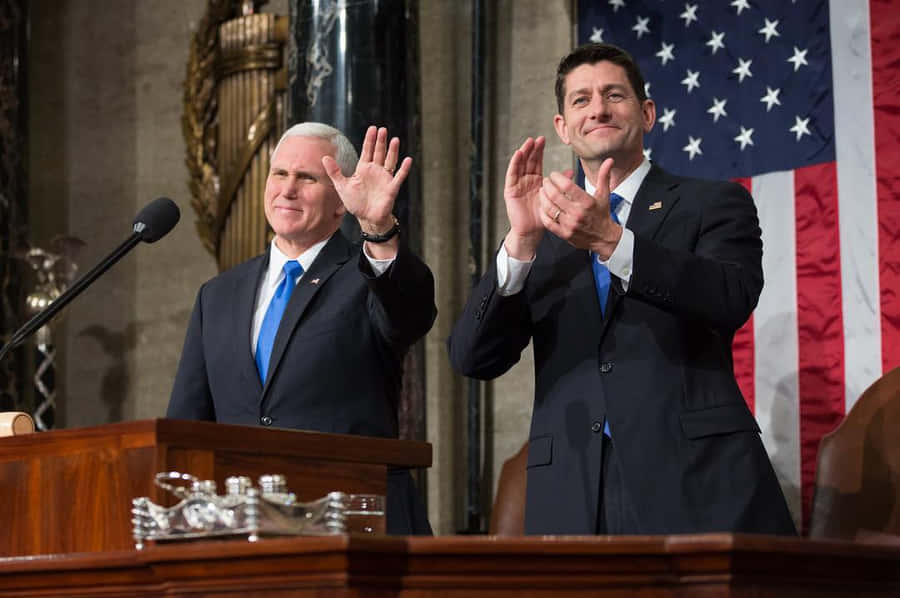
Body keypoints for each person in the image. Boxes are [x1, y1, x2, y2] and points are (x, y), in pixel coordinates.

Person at [448, 43, 796, 536]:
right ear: (563, 127)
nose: (599, 109)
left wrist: (612, 241)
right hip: (572, 487)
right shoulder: (541, 233)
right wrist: (521, 242)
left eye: (614, 95)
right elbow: (472, 359)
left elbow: (729, 296)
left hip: (694, 479)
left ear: (647, 113)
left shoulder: (713, 203)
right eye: (581, 100)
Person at [168, 122, 435, 535]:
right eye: (279, 174)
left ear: (341, 200)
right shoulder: (217, 295)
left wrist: (379, 229)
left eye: (307, 178)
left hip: (352, 523)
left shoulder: (367, 275)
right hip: (243, 535)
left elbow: (411, 316)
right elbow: (187, 426)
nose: (287, 189)